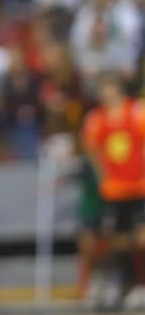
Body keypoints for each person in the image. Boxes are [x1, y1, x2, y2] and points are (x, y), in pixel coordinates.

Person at [81, 75, 145, 310]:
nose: (106, 93)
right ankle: (121, 284)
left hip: (138, 186)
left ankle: (140, 284)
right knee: (117, 241)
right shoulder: (97, 118)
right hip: (114, 189)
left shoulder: (137, 112)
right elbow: (91, 148)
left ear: (119, 89)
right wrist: (103, 176)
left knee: (141, 237)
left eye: (109, 87)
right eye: (103, 89)